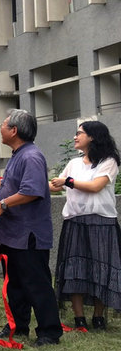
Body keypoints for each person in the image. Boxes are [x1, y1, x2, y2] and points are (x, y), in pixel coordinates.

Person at [0, 109, 63, 347]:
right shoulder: (19, 154)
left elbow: (31, 190)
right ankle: (18, 326)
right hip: (13, 234)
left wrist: (2, 205)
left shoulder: (31, 157)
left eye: (3, 125)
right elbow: (10, 183)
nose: (0, 128)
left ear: (14, 131)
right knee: (15, 284)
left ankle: (49, 332)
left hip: (28, 233)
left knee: (36, 283)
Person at [50, 120, 121, 330]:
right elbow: (55, 185)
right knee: (74, 269)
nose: (75, 137)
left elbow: (95, 186)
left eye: (79, 133)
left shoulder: (109, 161)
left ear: (92, 137)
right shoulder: (73, 163)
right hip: (75, 221)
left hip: (102, 223)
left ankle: (98, 316)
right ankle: (79, 317)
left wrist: (67, 182)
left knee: (101, 270)